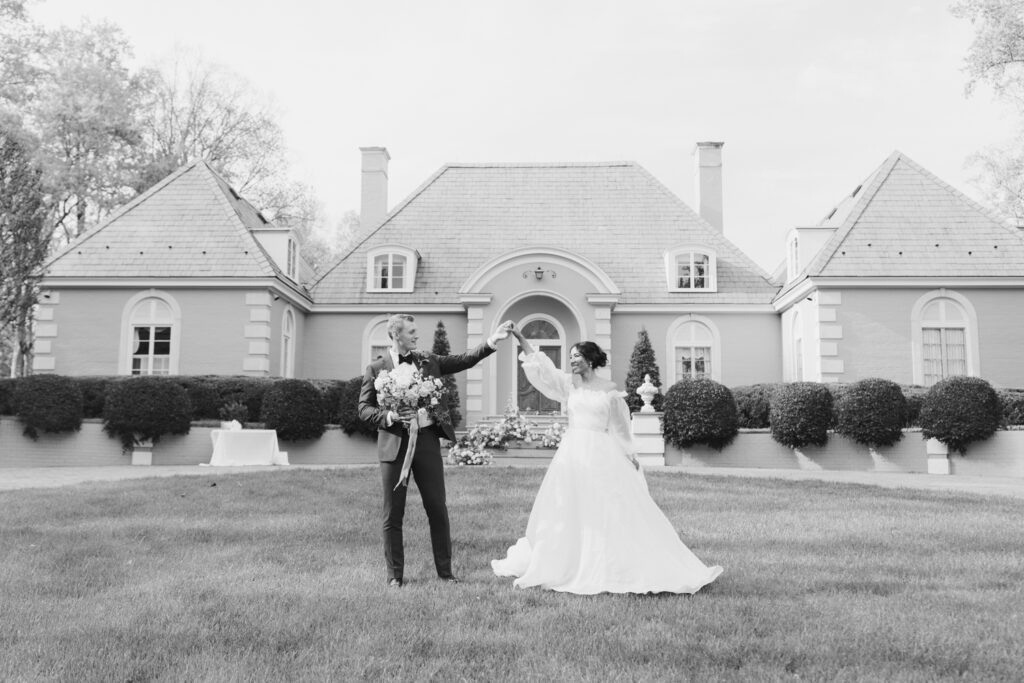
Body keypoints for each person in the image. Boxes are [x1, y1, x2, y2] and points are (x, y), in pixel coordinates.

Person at [491, 325, 723, 594]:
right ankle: (565, 559)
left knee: (606, 505)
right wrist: (520, 337)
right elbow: (542, 368)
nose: (572, 360)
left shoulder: (610, 390)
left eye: (576, 356)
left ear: (590, 359)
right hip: (573, 453)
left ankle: (608, 561)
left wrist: (630, 455)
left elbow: (620, 429)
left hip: (601, 453)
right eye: (570, 357)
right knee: (568, 505)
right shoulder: (568, 384)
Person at [359, 314, 513, 588]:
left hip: (427, 442)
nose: (417, 336)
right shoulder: (376, 369)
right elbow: (364, 409)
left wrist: (492, 341)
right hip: (394, 446)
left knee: (437, 509)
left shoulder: (428, 361)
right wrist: (391, 417)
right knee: (392, 513)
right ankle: (395, 576)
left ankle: (445, 572)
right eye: (411, 332)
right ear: (396, 335)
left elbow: (464, 359)